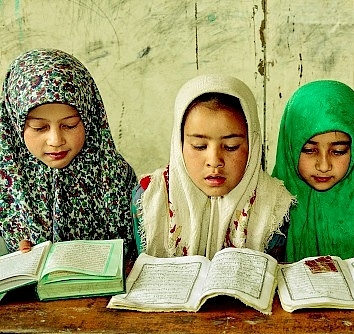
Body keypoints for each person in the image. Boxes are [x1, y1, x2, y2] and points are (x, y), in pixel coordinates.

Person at [133, 74, 293, 259]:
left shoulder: (274, 204)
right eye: (199, 146)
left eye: (231, 146)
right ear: (179, 144)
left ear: (253, 144)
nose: (214, 160)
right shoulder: (151, 198)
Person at [0, 48, 137, 257]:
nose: (56, 141)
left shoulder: (115, 176)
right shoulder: (6, 184)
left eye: (70, 125)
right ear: (15, 125)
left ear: (89, 118)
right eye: (39, 128)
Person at [272, 80, 354, 262]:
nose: (324, 166)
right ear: (290, 148)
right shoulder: (268, 208)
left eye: (339, 151)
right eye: (309, 150)